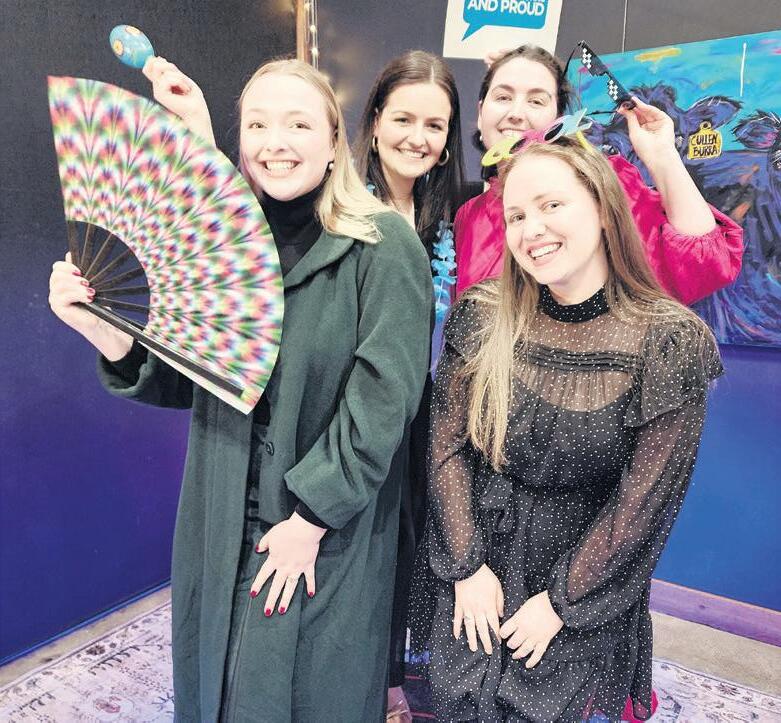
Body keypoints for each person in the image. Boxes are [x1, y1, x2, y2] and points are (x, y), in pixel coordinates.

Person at [48, 57, 432, 722]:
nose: (274, 141)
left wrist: (309, 521)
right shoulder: (227, 246)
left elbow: (383, 402)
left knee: (308, 694)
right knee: (217, 692)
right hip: (219, 513)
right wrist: (101, 331)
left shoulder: (382, 244)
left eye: (297, 124)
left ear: (333, 140)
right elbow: (191, 380)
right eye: (257, 124)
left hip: (319, 527)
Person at [422, 136, 723, 722]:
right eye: (516, 215)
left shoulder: (668, 341)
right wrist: (466, 566)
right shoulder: (482, 315)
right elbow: (446, 449)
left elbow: (644, 502)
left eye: (551, 205)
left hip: (585, 580)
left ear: (604, 210)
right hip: (479, 562)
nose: (531, 229)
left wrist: (561, 602)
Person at [353, 49, 466, 721]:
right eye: (403, 118)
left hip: (421, 409)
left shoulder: (443, 213)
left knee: (406, 548)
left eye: (434, 125)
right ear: (373, 122)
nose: (417, 137)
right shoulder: (339, 208)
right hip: (357, 405)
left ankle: (393, 679)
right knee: (357, 549)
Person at [454, 45, 743, 306]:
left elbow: (705, 264)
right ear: (480, 113)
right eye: (503, 97)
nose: (516, 113)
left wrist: (662, 157)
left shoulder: (603, 184)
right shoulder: (468, 217)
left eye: (537, 101)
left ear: (558, 119)